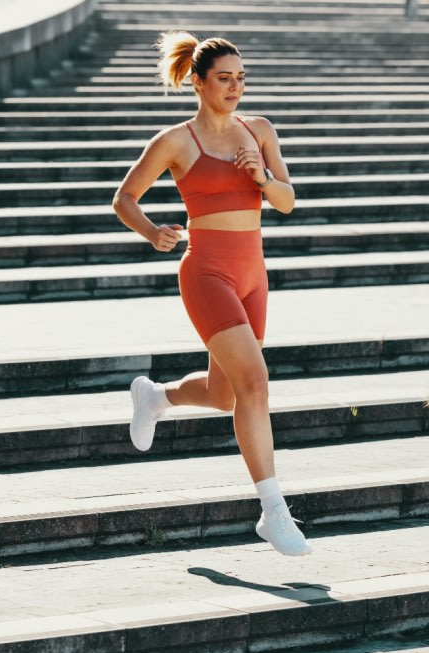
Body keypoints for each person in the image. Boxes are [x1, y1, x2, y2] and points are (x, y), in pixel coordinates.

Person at [112, 30, 310, 556]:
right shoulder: (177, 141)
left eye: (241, 78)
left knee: (228, 395)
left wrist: (263, 177)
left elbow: (287, 201)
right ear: (197, 82)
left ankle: (155, 397)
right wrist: (154, 232)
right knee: (256, 381)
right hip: (206, 273)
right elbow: (124, 198)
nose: (235, 87)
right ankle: (273, 510)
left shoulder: (260, 130)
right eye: (224, 79)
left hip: (253, 274)